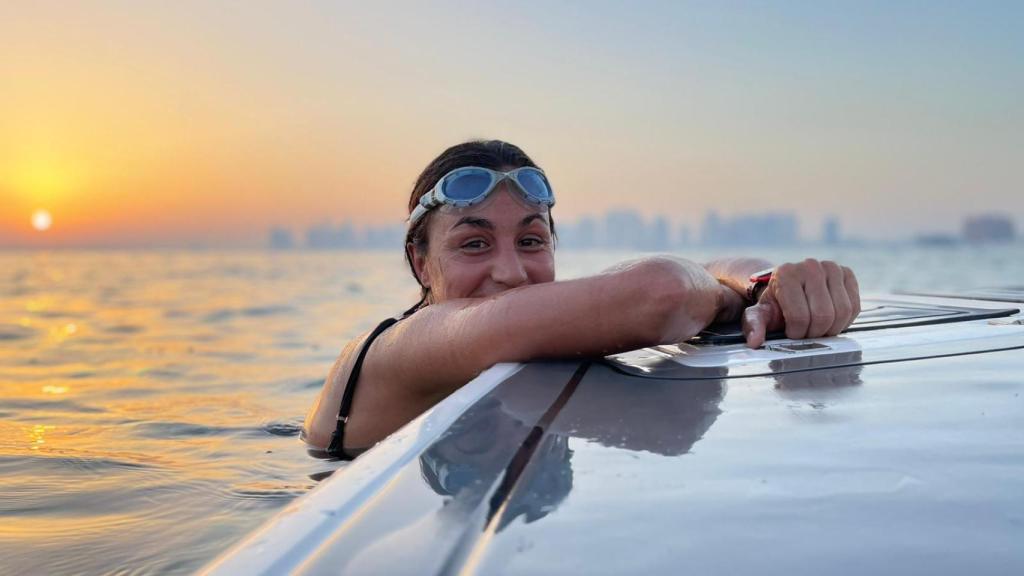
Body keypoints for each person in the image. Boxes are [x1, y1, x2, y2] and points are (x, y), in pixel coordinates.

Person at [302, 140, 861, 458]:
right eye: (474, 244)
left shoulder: (519, 328)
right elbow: (661, 291)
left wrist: (764, 284)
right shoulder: (400, 349)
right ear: (421, 263)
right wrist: (726, 301)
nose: (512, 272)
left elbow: (683, 277)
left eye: (530, 241)